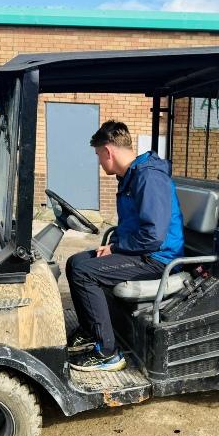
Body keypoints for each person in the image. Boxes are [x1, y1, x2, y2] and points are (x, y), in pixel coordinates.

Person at [66, 121, 184, 372]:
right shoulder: (132, 176)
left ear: (108, 152)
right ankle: (91, 331)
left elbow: (153, 237)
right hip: (141, 252)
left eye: (99, 156)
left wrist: (117, 248)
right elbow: (133, 226)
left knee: (84, 272)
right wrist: (115, 245)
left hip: (158, 259)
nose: (99, 162)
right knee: (75, 262)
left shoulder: (149, 178)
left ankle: (107, 352)